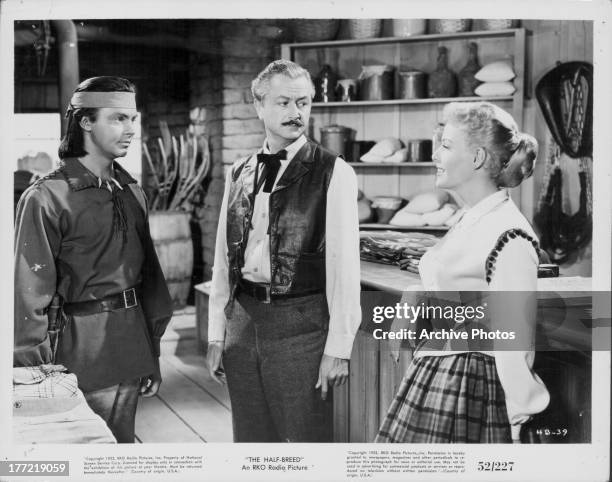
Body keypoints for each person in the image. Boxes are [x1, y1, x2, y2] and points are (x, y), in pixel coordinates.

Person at [375, 101, 550, 444]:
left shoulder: (509, 234)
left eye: (446, 145)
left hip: (469, 385)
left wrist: (518, 419)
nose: (435, 156)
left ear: (477, 159)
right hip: (441, 370)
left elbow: (515, 340)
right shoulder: (472, 218)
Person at [207, 59, 361, 442]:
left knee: (304, 442)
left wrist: (338, 349)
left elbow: (345, 268)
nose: (296, 113)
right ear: (258, 105)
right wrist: (216, 334)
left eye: (304, 103)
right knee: (250, 441)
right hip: (242, 324)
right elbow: (222, 262)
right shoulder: (239, 171)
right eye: (284, 103)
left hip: (301, 327)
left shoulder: (333, 171)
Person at [14, 76, 173, 443]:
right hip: (75, 356)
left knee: (120, 452)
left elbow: (150, 283)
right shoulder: (47, 197)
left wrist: (151, 354)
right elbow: (27, 294)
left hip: (131, 348)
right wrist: (33, 378)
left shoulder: (131, 191)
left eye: (132, 119)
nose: (130, 129)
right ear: (85, 121)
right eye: (118, 118)